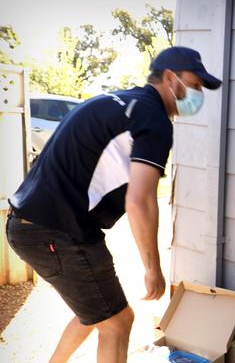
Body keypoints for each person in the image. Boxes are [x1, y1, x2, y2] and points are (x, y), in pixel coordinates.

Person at [5, 46, 221, 363]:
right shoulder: (154, 120)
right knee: (118, 322)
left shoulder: (113, 101)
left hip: (34, 224)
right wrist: (153, 268)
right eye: (195, 83)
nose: (198, 92)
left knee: (94, 310)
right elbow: (141, 200)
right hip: (57, 230)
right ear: (171, 78)